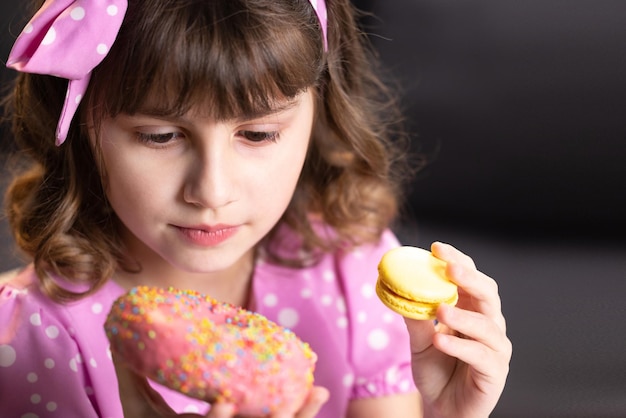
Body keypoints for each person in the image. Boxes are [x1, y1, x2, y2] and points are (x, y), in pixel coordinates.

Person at [0, 0, 512, 417]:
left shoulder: (351, 271)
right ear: (80, 132)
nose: (213, 191)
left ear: (320, 112)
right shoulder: (32, 342)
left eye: (258, 133)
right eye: (159, 136)